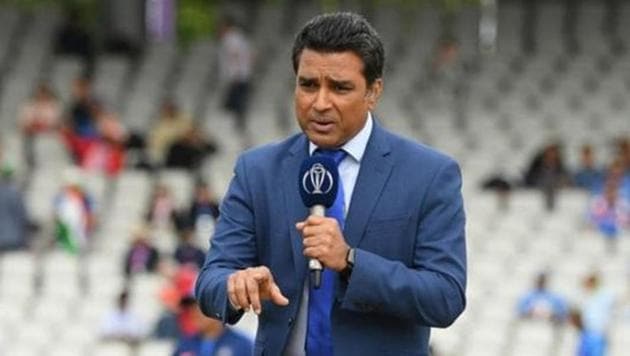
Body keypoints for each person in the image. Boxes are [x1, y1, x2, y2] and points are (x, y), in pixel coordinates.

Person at [195, 12, 467, 356]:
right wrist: (235, 285)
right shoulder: (257, 171)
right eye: (308, 84)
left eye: (339, 88)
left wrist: (351, 262)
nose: (320, 103)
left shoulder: (428, 174)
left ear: (373, 91)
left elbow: (445, 296)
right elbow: (210, 281)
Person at [173, 296, 253, 356]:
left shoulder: (242, 344)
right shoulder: (185, 344)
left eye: (200, 307)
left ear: (217, 308)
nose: (195, 313)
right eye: (191, 308)